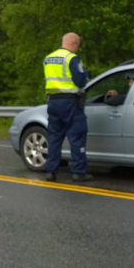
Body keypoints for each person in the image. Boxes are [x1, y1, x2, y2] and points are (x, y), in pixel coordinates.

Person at [43, 33, 92, 182]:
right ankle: (79, 172)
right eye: (77, 45)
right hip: (70, 102)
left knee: (54, 138)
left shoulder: (48, 58)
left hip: (53, 102)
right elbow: (79, 81)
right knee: (77, 136)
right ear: (74, 44)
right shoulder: (72, 58)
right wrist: (86, 75)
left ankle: (50, 171)